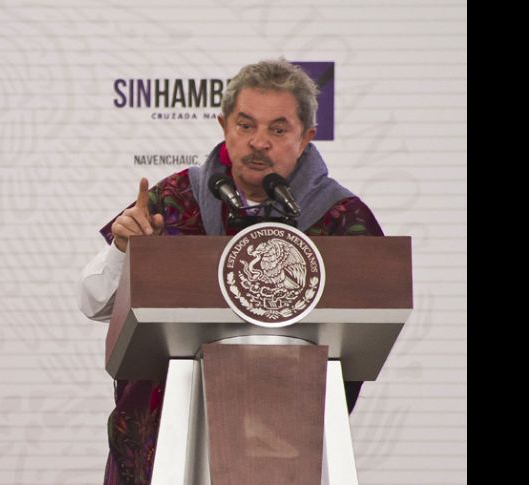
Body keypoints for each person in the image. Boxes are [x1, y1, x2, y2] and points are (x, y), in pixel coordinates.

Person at [79, 58, 383, 485]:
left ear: (306, 137)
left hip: (283, 449)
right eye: (245, 125)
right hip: (163, 446)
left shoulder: (341, 221)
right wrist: (124, 247)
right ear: (224, 126)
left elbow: (367, 330)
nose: (259, 142)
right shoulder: (173, 198)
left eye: (278, 129)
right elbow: (94, 303)